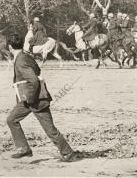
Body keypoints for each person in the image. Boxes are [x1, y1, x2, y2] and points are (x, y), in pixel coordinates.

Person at [7, 33, 82, 162]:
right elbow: (37, 70)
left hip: (33, 100)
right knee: (49, 129)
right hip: (39, 98)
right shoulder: (26, 56)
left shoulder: (20, 60)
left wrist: (29, 99)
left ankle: (25, 148)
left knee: (12, 120)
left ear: (10, 47)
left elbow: (34, 80)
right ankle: (68, 153)